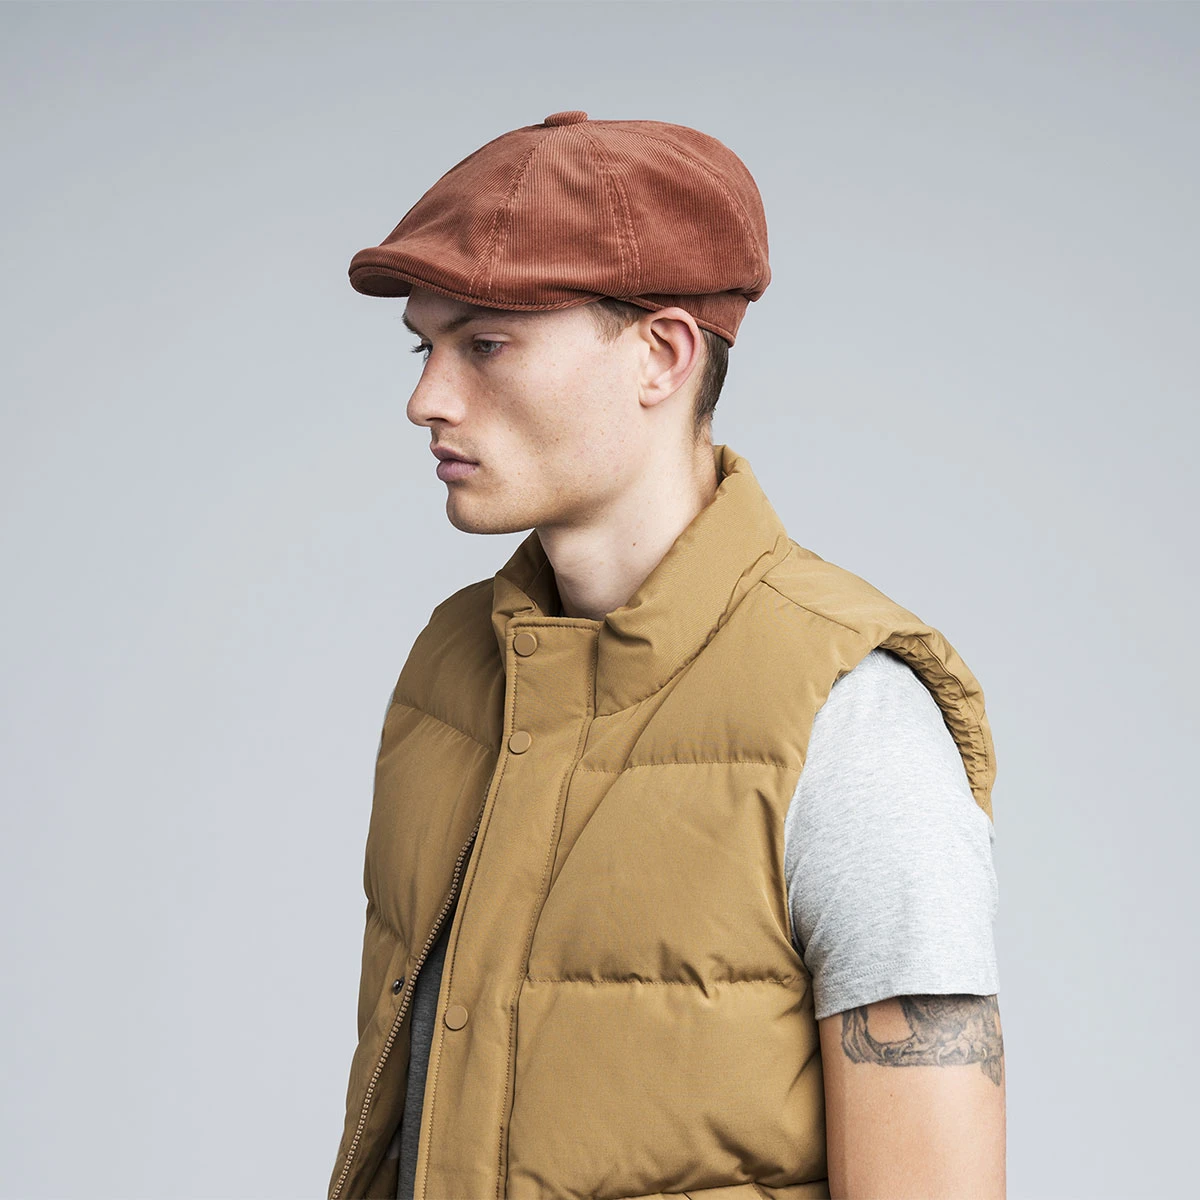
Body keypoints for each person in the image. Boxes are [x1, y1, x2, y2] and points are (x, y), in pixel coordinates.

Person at [327, 111, 1004, 1200]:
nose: (426, 400)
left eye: (485, 345)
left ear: (663, 354)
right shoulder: (453, 671)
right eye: (426, 347)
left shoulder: (847, 713)